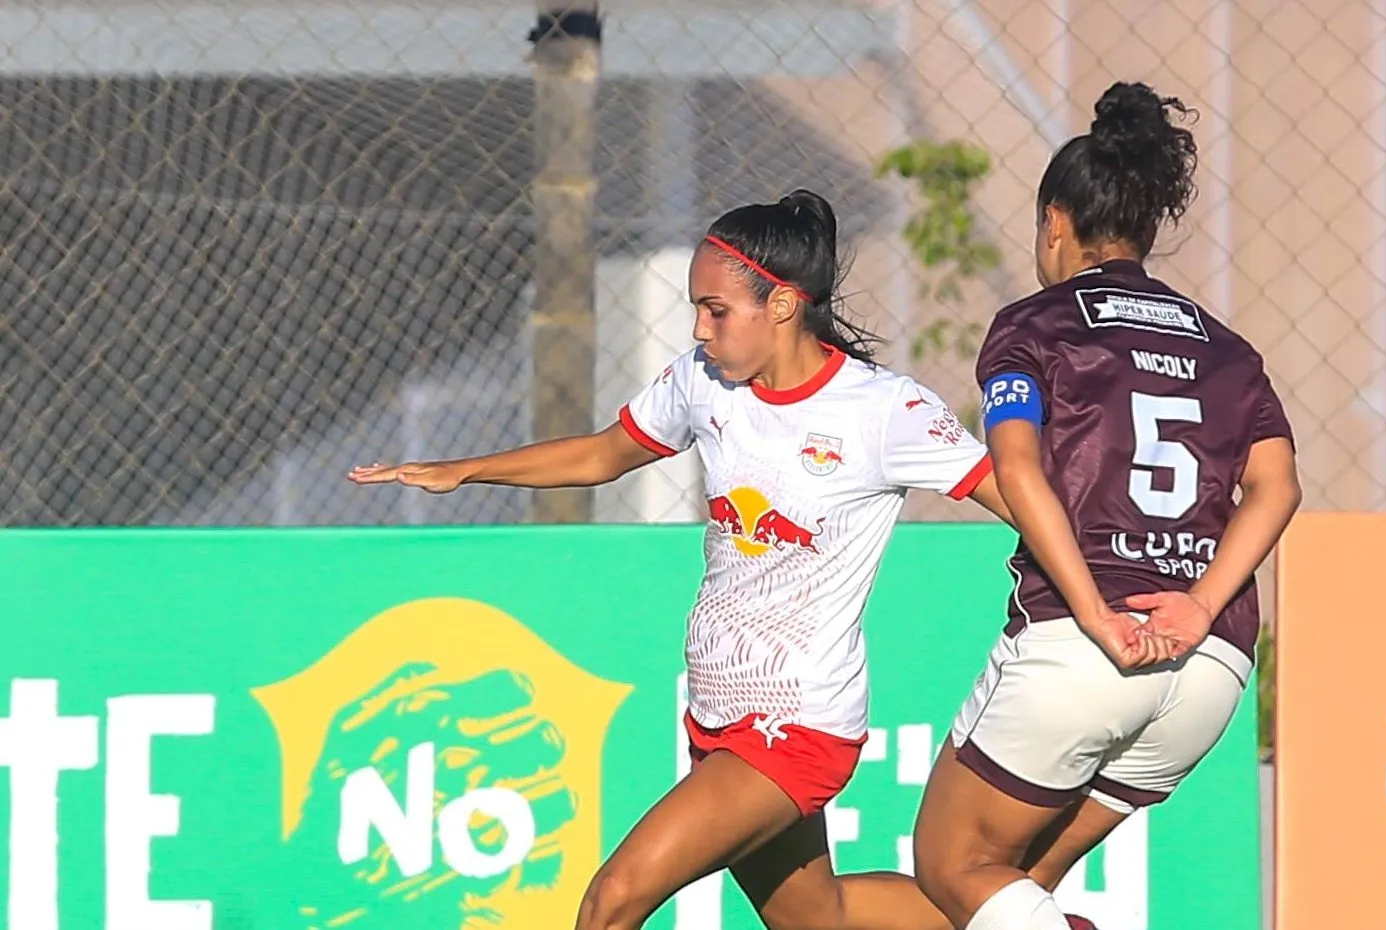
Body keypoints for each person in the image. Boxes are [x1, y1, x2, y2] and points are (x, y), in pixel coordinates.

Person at [348, 189, 1020, 930]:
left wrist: (1119, 586)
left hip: (796, 723)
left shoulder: (882, 410)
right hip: (715, 711)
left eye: (716, 309)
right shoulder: (703, 382)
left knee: (615, 898)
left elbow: (1020, 500)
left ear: (785, 306)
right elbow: (605, 452)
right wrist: (465, 469)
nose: (700, 327)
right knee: (819, 918)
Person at [902, 81, 1303, 930]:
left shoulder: (1034, 326)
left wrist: (1093, 612)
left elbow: (1019, 472)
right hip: (1211, 663)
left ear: (1056, 221)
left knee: (950, 864)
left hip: (1090, 647)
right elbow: (1277, 487)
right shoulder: (1227, 350)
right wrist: (1196, 603)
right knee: (1012, 891)